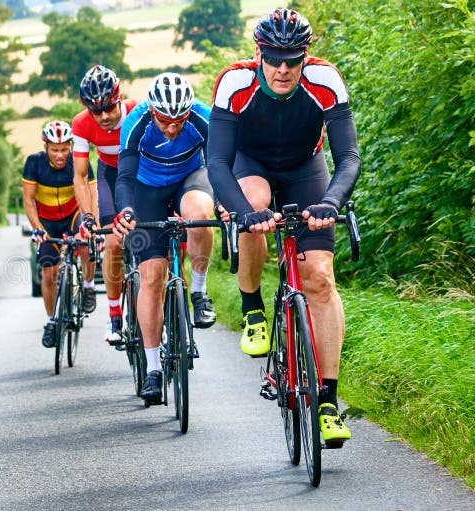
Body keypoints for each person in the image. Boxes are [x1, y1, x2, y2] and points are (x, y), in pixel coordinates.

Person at [206, 8, 361, 443]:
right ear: (260, 53)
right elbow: (216, 161)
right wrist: (242, 212)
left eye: (292, 59)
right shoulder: (235, 82)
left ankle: (328, 401)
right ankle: (253, 308)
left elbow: (347, 156)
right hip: (248, 164)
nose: (282, 68)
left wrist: (332, 201)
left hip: (303, 168)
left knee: (321, 280)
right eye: (274, 57)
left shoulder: (325, 80)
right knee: (253, 205)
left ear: (304, 56)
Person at [112, 72, 218, 404]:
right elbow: (125, 176)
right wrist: (126, 211)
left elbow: (221, 164)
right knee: (152, 276)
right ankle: (153, 368)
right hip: (146, 190)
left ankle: (199, 292)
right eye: (164, 120)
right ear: (152, 110)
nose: (172, 127)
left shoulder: (203, 117)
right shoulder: (135, 122)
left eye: (179, 120)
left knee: (200, 217)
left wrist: (228, 203)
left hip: (190, 178)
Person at [71, 65, 138, 346]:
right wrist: (88, 216)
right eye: (96, 111)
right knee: (112, 244)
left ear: (119, 97)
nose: (104, 117)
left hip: (142, 174)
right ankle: (114, 315)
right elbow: (81, 175)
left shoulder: (137, 111)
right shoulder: (82, 124)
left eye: (109, 108)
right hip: (110, 176)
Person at [22, 120, 97, 348]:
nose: (60, 154)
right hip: (46, 222)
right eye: (55, 149)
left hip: (73, 216)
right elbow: (28, 200)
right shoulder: (34, 163)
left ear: (71, 146)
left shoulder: (79, 162)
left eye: (65, 148)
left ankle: (88, 287)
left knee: (85, 245)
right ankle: (51, 320)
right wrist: (37, 228)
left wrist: (92, 225)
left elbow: (92, 196)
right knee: (48, 273)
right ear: (46, 147)